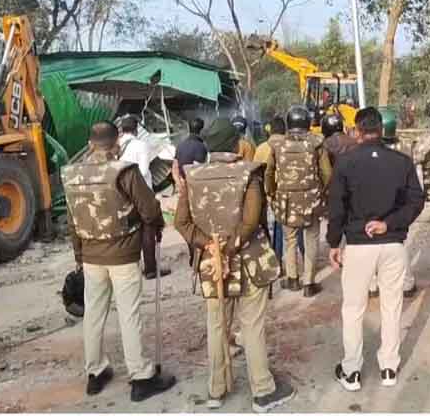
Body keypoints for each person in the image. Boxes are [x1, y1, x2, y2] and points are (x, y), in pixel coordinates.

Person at [174, 118, 296, 411]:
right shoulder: (248, 174)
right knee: (251, 326)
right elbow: (251, 222)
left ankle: (216, 390)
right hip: (249, 261)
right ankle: (263, 390)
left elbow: (181, 222)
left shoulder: (193, 176)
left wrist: (209, 245)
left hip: (211, 265)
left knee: (217, 325)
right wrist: (229, 246)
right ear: (235, 144)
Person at [61, 121, 176, 402]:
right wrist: (155, 226)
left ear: (90, 145)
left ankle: (95, 372)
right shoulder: (124, 172)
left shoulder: (72, 174)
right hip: (123, 255)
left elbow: (73, 222)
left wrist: (79, 256)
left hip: (91, 256)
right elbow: (149, 209)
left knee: (93, 314)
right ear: (116, 144)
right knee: (129, 314)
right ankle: (140, 377)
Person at [328, 107, 425, 392]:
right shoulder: (401, 161)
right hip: (392, 244)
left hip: (359, 245)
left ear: (357, 131)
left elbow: (337, 207)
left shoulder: (345, 163)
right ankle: (389, 367)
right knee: (392, 306)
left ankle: (352, 371)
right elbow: (416, 201)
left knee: (353, 309)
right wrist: (389, 223)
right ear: (381, 130)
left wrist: (334, 243)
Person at [266, 106, 332, 298]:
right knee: (311, 239)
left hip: (286, 200)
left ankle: (293, 278)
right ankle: (309, 282)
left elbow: (269, 172)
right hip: (311, 199)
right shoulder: (316, 143)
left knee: (290, 240)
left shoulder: (277, 145)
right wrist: (322, 191)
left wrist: (272, 192)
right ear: (307, 122)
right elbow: (327, 173)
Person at [370, 109, 418, 298]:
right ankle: (406, 283)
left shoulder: (369, 149)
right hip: (398, 203)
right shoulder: (405, 147)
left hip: (373, 202)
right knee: (399, 244)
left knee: (371, 241)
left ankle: (373, 284)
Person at [118, 115, 170, 280]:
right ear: (136, 129)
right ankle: (150, 269)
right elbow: (144, 170)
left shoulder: (116, 146)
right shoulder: (141, 145)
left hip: (122, 193)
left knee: (130, 230)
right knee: (148, 228)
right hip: (141, 192)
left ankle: (132, 269)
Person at [255, 117, 287, 261]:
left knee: (273, 228)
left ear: (270, 130)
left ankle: (275, 259)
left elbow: (256, 174)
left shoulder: (261, 148)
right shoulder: (290, 145)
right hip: (288, 192)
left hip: (268, 194)